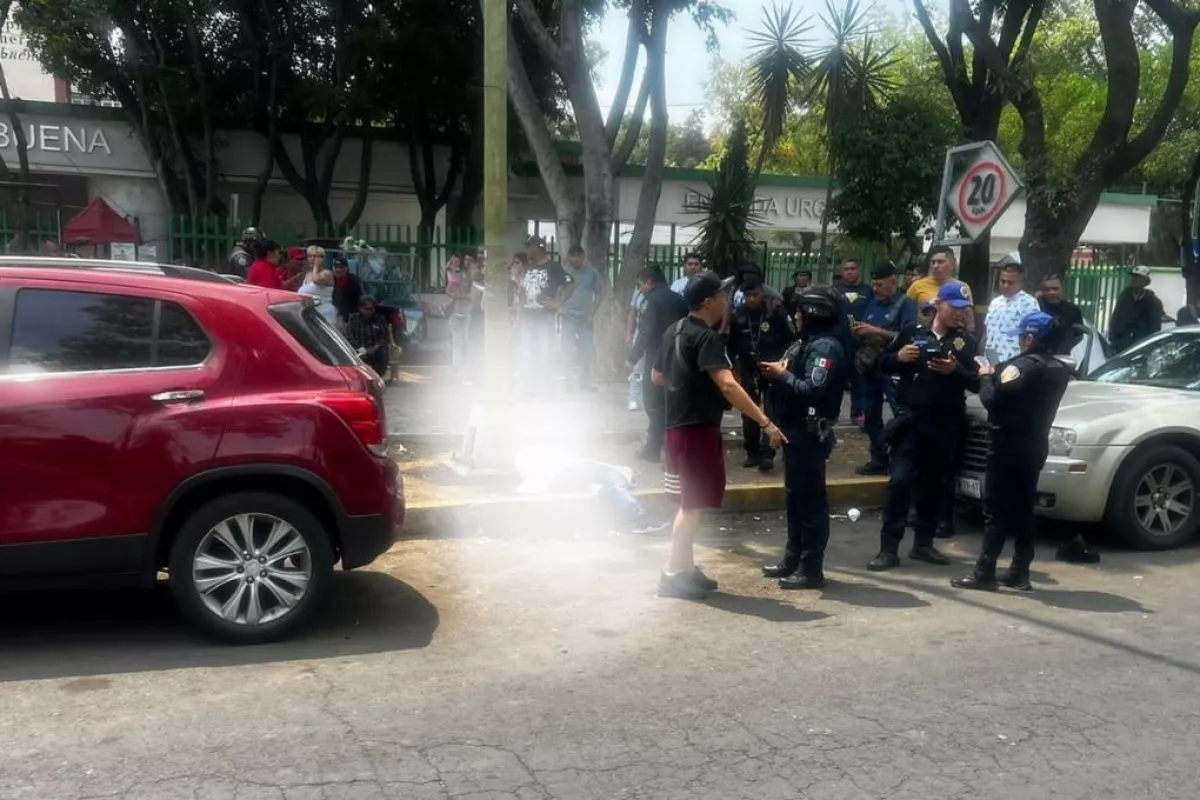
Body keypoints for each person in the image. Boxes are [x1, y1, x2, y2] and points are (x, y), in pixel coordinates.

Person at [652, 272, 785, 600]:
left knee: (688, 504)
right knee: (691, 506)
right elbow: (727, 384)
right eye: (723, 296)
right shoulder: (707, 338)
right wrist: (766, 422)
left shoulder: (674, 330)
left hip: (676, 429)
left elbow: (657, 376)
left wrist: (686, 385)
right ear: (708, 302)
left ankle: (684, 568)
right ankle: (673, 574)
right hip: (696, 430)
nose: (728, 301)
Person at [952, 311, 1071, 591]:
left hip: (1007, 446)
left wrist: (984, 376)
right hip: (1035, 445)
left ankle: (984, 572)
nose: (1018, 341)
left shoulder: (1019, 367)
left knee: (995, 510)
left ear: (1030, 338)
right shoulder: (1058, 368)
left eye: (1021, 336)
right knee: (1023, 508)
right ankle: (1020, 571)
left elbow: (992, 400)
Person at [869, 280, 981, 572]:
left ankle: (923, 543)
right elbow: (881, 364)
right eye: (955, 308)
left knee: (934, 485)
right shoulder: (911, 332)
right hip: (911, 420)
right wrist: (898, 357)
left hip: (945, 422)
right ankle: (888, 549)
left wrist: (956, 370)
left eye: (964, 310)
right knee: (901, 482)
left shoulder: (966, 342)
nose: (960, 314)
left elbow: (979, 382)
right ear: (939, 304)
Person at [759, 286, 848, 589]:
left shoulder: (826, 348)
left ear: (812, 314)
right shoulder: (807, 343)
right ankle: (792, 558)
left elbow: (814, 390)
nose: (796, 317)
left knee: (810, 503)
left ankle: (811, 569)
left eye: (800, 312)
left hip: (810, 434)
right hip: (794, 432)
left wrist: (782, 375)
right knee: (795, 499)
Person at [852, 261, 917, 475]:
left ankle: (900, 458)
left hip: (894, 369)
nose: (876, 288)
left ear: (892, 282)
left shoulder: (905, 304)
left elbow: (907, 337)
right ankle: (878, 458)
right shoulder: (873, 304)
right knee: (871, 415)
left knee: (900, 413)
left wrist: (875, 330)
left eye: (880, 284)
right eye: (874, 284)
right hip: (872, 367)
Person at [728, 273, 794, 471]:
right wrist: (734, 369)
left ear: (762, 293)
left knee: (772, 411)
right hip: (750, 368)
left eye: (755, 294)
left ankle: (768, 453)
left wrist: (784, 366)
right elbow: (732, 345)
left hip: (773, 368)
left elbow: (792, 341)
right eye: (747, 295)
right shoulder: (738, 315)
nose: (751, 299)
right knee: (749, 411)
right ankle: (752, 452)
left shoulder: (776, 312)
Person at [628, 265, 689, 462]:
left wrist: (632, 358)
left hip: (656, 357)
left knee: (653, 404)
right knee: (670, 405)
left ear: (649, 282)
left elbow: (645, 331)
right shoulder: (679, 299)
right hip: (679, 356)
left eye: (641, 285)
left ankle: (658, 449)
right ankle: (662, 448)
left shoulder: (650, 300)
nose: (640, 289)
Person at [517, 236, 569, 390]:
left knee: (544, 351)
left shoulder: (553, 266)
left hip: (544, 317)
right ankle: (530, 387)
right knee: (527, 351)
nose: (527, 251)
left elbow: (570, 283)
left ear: (537, 248)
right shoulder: (528, 268)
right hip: (528, 315)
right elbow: (522, 290)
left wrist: (559, 301)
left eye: (529, 247)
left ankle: (546, 388)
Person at [560, 245, 605, 392]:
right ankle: (568, 383)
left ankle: (584, 383)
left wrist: (593, 314)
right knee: (566, 351)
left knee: (586, 351)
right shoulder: (565, 272)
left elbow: (599, 293)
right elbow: (558, 290)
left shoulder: (592, 273)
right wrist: (559, 307)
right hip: (567, 317)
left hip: (586, 319)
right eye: (571, 257)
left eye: (576, 257)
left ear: (582, 257)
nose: (573, 260)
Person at [835, 259, 872, 426]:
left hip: (861, 343)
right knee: (835, 381)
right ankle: (832, 414)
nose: (849, 272)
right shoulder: (835, 291)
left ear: (859, 271)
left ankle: (858, 413)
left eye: (853, 268)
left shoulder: (868, 291)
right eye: (846, 269)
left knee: (859, 380)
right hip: (840, 342)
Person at [907, 246, 975, 331]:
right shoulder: (917, 286)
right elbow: (906, 313)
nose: (935, 266)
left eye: (940, 262)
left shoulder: (962, 287)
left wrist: (970, 336)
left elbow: (969, 317)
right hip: (925, 335)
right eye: (933, 262)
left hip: (955, 337)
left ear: (952, 264)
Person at [984, 261, 1040, 363]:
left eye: (1010, 282)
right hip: (990, 362)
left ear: (1021, 283)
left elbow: (1032, 335)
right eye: (1002, 281)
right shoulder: (995, 303)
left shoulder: (1029, 304)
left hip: (1015, 363)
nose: (1005, 285)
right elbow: (987, 332)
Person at [1109, 266, 1163, 353]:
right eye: (1133, 277)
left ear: (1145, 281)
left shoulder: (1153, 302)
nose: (1134, 280)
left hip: (1139, 347)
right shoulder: (1125, 296)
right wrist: (1113, 338)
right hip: (1120, 344)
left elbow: (1155, 328)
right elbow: (1116, 317)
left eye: (1138, 278)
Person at [1038, 274, 1085, 355]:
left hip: (1063, 358)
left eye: (1055, 289)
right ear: (1042, 292)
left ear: (1062, 289)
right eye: (1047, 289)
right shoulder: (1037, 308)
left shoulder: (1072, 309)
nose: (1052, 292)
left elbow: (1078, 335)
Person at [346, 296, 392, 377]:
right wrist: (362, 350)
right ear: (360, 308)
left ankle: (378, 376)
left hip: (375, 349)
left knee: (383, 351)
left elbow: (384, 336)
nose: (368, 312)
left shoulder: (380, 319)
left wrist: (374, 348)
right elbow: (350, 337)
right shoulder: (353, 318)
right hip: (359, 349)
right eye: (366, 309)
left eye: (371, 309)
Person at [626, 282, 648, 412]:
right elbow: (632, 314)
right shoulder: (638, 294)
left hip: (655, 332)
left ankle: (649, 399)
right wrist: (629, 333)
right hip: (640, 331)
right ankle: (633, 398)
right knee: (638, 366)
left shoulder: (656, 295)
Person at [331, 256, 364, 324]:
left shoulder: (355, 281)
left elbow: (362, 297)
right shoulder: (329, 279)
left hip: (351, 316)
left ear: (347, 268)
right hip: (333, 315)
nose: (339, 269)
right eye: (337, 267)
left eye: (342, 267)